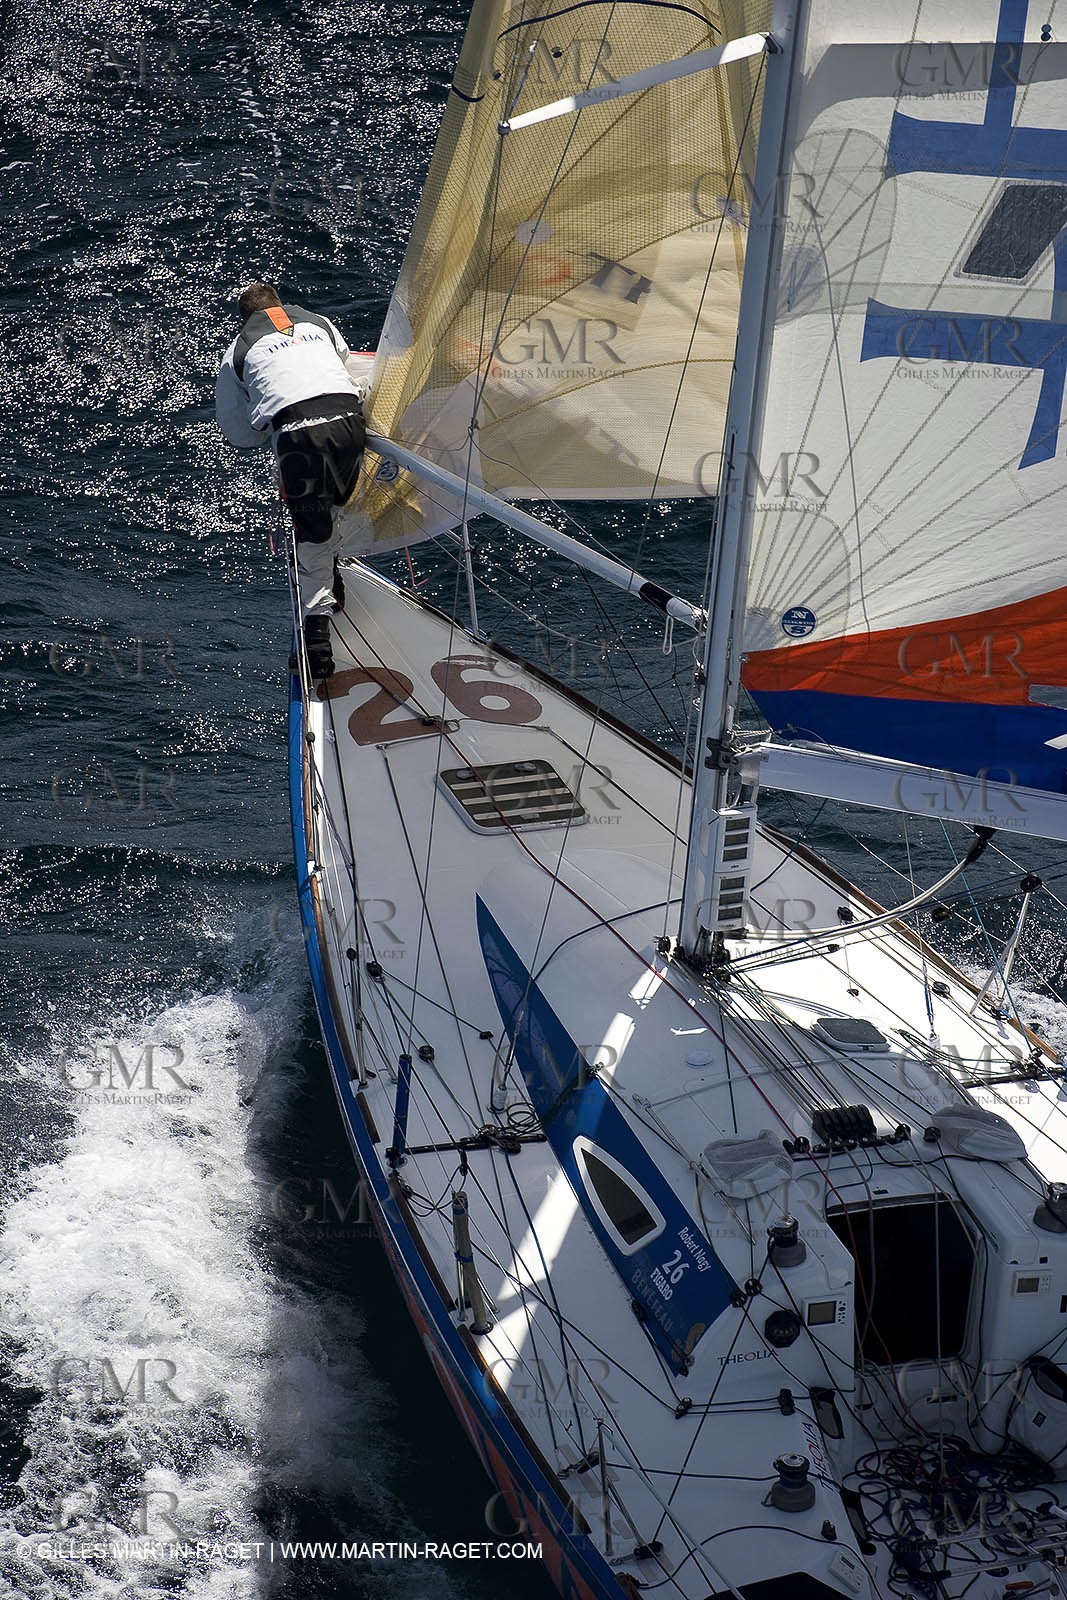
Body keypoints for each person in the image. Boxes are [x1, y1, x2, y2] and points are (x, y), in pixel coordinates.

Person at [215, 282, 369, 678]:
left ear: (244, 319)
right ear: (279, 305)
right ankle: (332, 584)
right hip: (350, 423)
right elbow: (343, 362)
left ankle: (316, 650)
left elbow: (238, 433)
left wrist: (268, 426)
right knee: (331, 507)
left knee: (311, 535)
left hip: (301, 437)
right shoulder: (319, 322)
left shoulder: (237, 351)